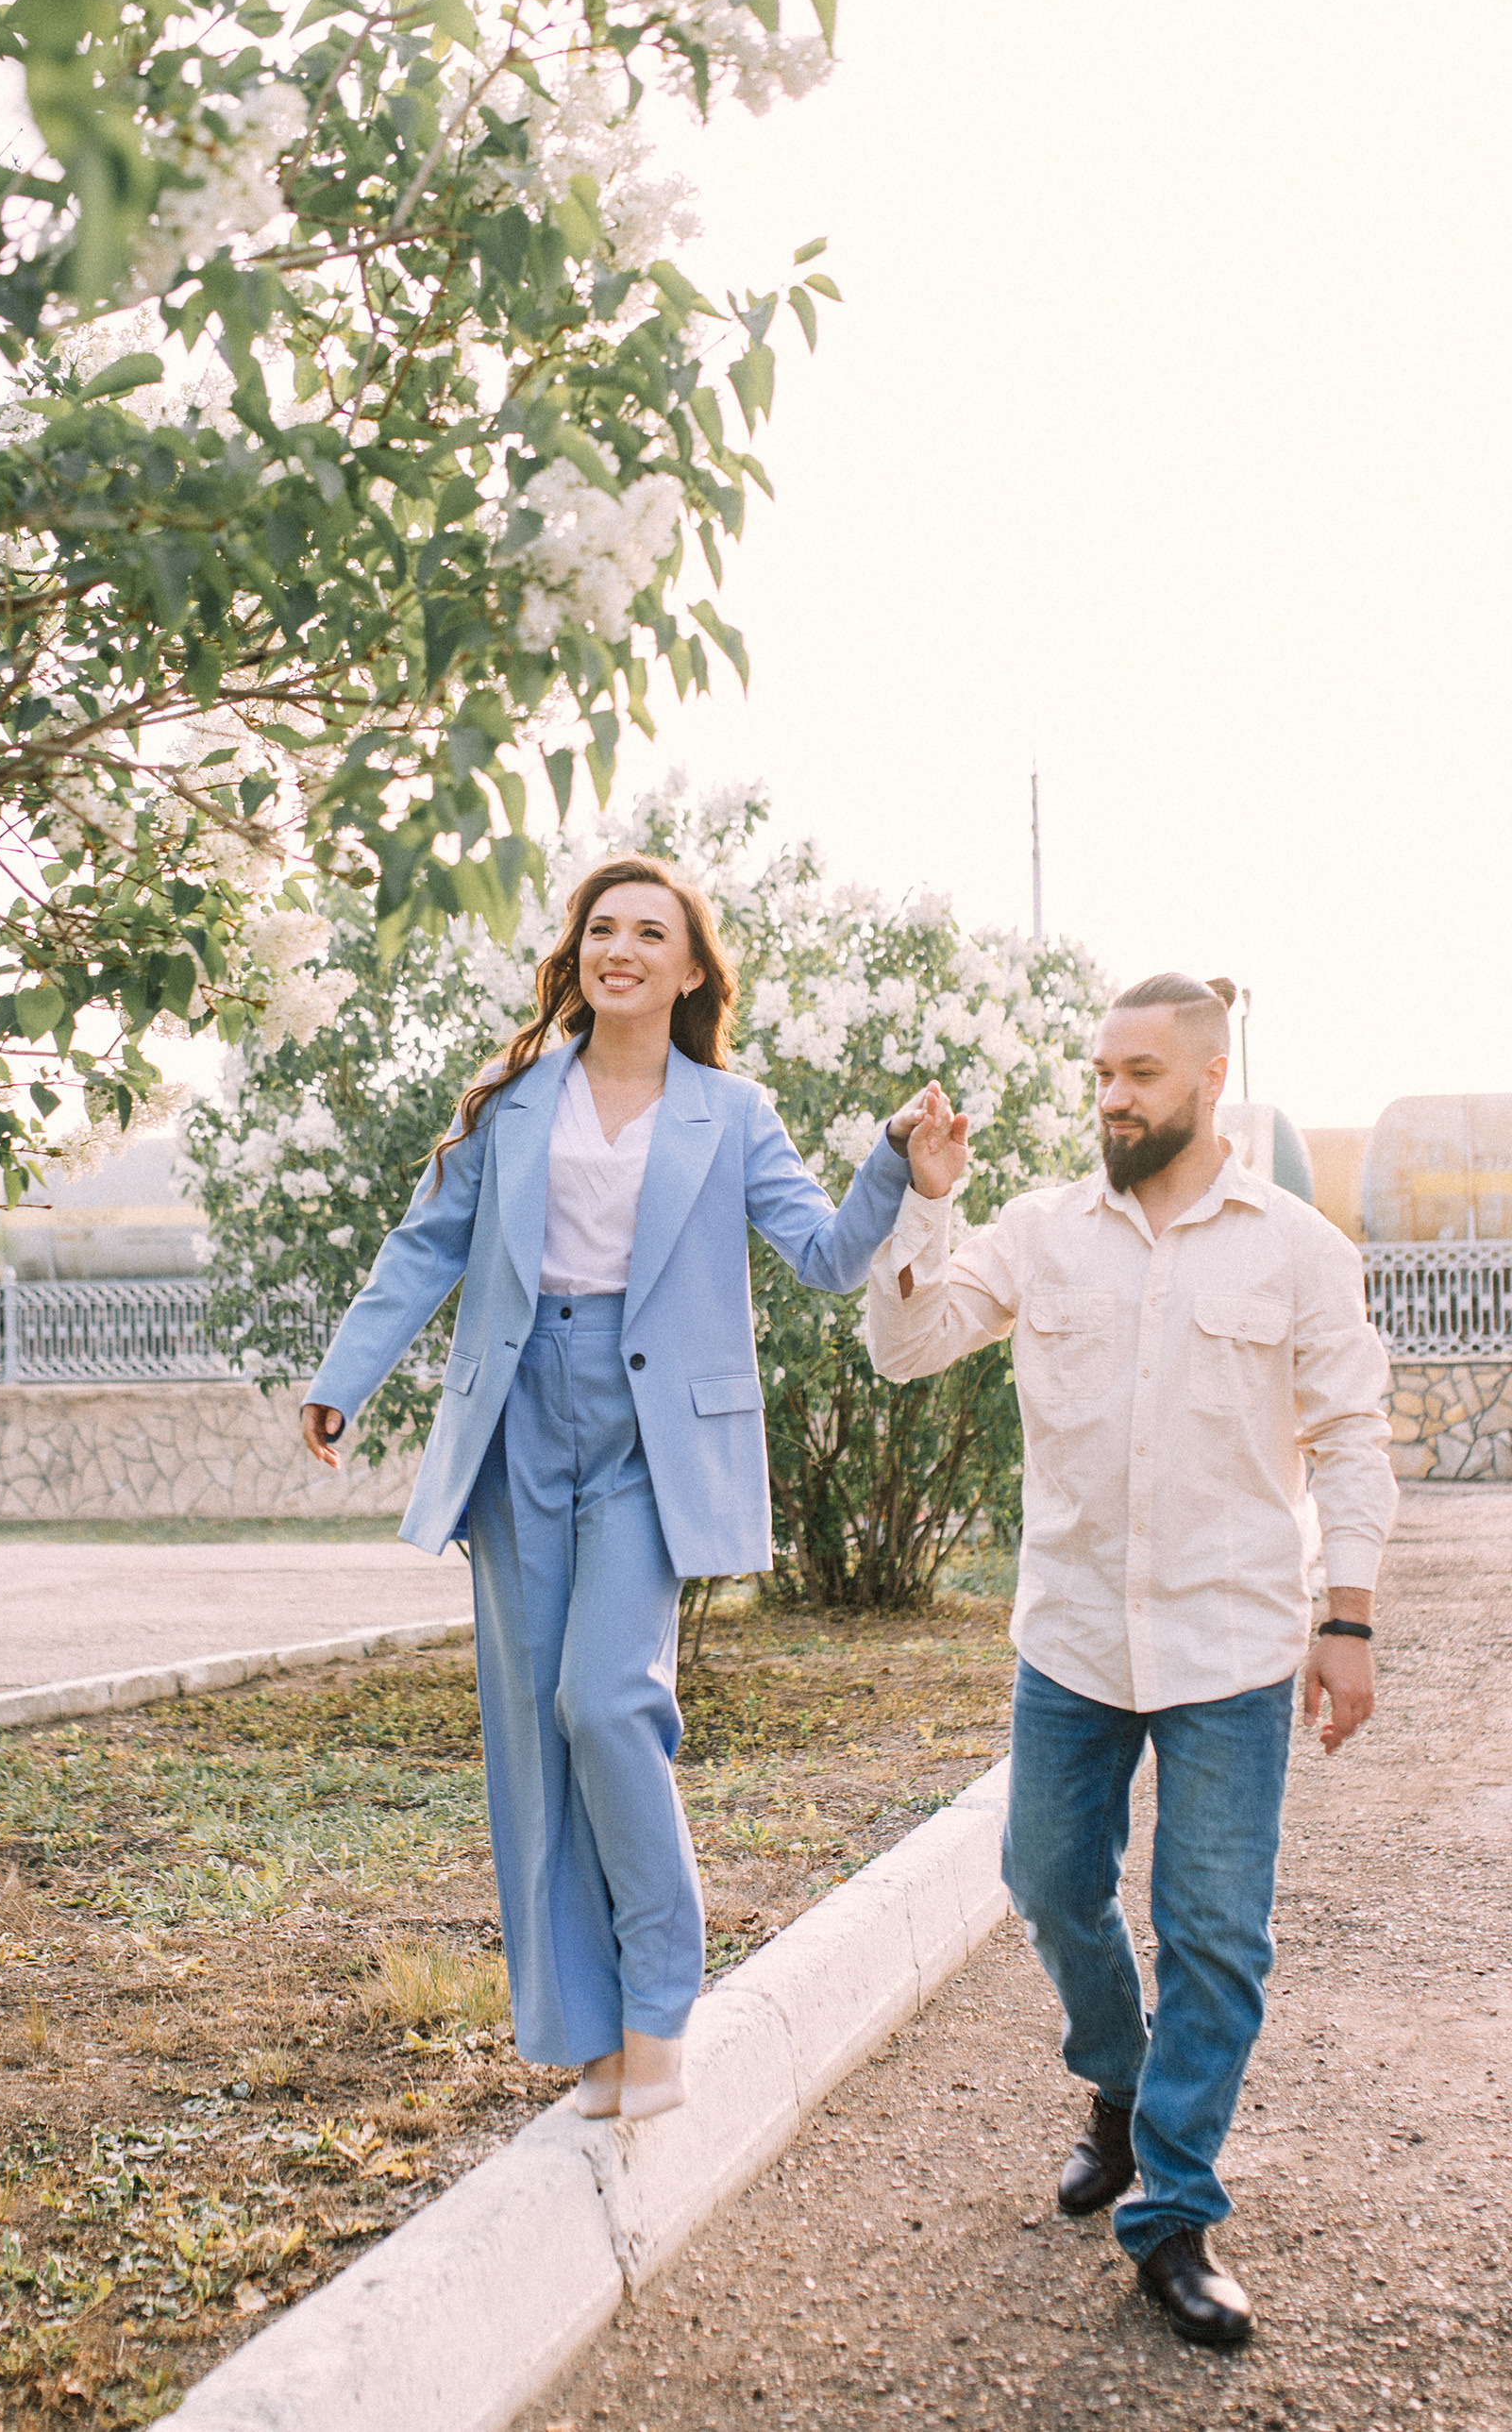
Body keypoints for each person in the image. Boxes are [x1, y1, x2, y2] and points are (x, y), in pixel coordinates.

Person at [300, 853, 925, 2121]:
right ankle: (588, 2036)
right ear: (576, 955)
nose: (620, 950)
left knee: (605, 1702)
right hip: (518, 1417)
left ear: (690, 970)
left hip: (652, 1435)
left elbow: (822, 1255)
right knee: (533, 1738)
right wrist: (344, 1377)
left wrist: (895, 1161)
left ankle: (658, 2004)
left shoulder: (730, 1112)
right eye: (600, 930)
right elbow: (425, 1247)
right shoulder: (513, 1099)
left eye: (649, 933)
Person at [865, 972, 1396, 2348]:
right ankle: (1118, 2077)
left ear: (1212, 1080)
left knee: (1214, 1935)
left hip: (1232, 1644)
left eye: (1141, 1075)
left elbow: (1351, 1436)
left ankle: (1173, 2213)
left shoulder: (1298, 1250)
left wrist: (1348, 1617)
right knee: (1048, 1884)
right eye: (1102, 1073)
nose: (1112, 1097)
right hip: (1074, 1639)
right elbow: (908, 1346)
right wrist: (926, 1202)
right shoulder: (1041, 1233)